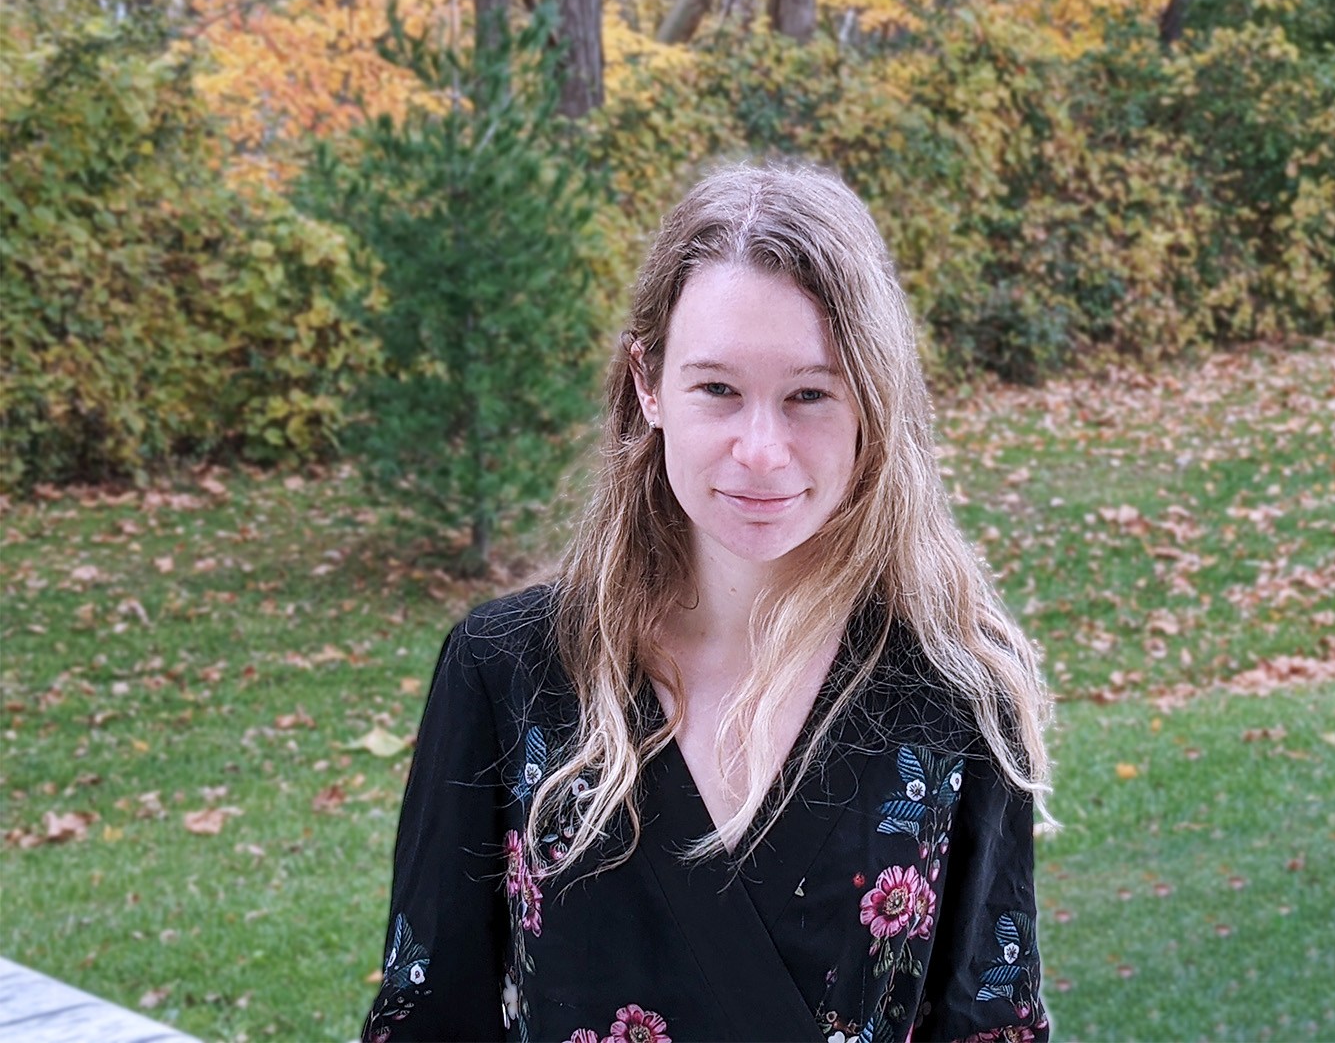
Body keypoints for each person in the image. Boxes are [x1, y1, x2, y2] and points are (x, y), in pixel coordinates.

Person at [362, 165, 1054, 1043]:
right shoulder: (508, 672)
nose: (761, 451)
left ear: (872, 402)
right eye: (717, 389)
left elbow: (993, 1026)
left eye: (809, 394)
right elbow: (430, 1019)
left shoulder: (958, 687)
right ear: (649, 385)